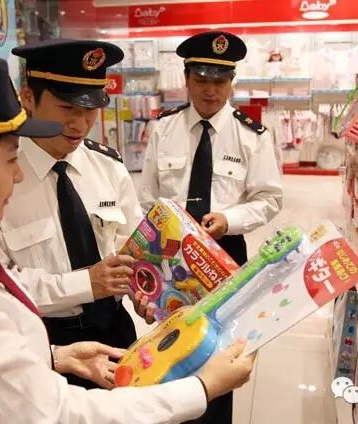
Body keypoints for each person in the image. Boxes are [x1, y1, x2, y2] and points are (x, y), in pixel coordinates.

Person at [0, 56, 256, 423]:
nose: (18, 173)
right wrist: (201, 388)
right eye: (10, 158)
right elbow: (58, 414)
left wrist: (57, 355)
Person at [0, 39, 154, 390]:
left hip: (115, 330)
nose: (80, 123)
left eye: (91, 109)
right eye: (67, 107)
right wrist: (86, 284)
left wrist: (144, 293)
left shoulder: (109, 167)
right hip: (44, 343)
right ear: (28, 97)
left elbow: (130, 247)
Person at [139, 31, 284, 423]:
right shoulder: (163, 129)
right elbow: (146, 196)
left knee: (220, 352)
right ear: (186, 79)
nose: (211, 90)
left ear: (231, 82)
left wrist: (229, 219)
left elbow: (270, 198)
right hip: (171, 255)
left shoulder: (251, 136)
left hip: (226, 256)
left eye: (220, 81)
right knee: (171, 347)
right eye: (202, 79)